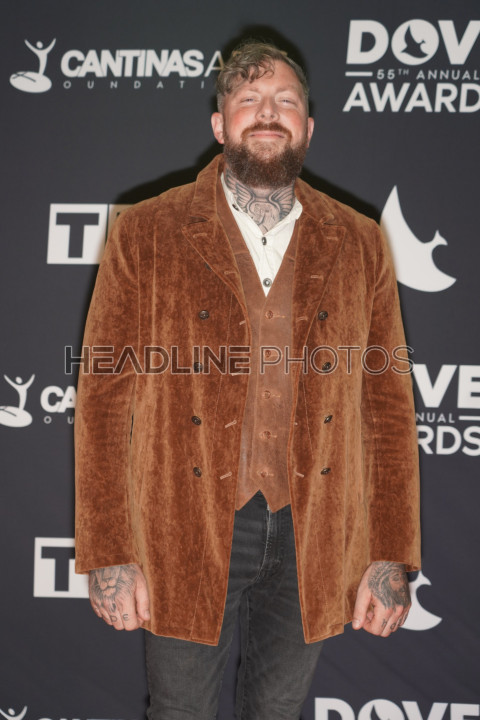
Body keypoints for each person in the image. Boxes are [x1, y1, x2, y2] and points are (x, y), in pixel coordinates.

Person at [75, 40, 421, 720]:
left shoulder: (360, 241)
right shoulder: (146, 231)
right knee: (178, 712)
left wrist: (390, 555)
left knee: (279, 712)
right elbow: (103, 403)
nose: (268, 113)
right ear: (220, 123)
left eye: (285, 101)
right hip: (180, 526)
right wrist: (109, 550)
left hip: (314, 530)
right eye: (249, 100)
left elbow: (387, 407)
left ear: (308, 126)